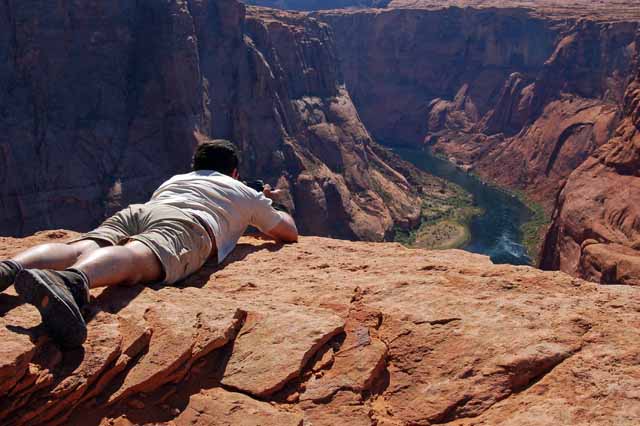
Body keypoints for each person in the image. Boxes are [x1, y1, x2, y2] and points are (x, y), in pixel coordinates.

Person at [0, 139, 298, 348]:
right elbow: (288, 232)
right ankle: (72, 282)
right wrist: (265, 199)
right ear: (234, 172)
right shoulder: (241, 190)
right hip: (188, 223)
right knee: (137, 255)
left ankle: (11, 268)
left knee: (84, 246)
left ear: (196, 165)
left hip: (142, 210)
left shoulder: (177, 179)